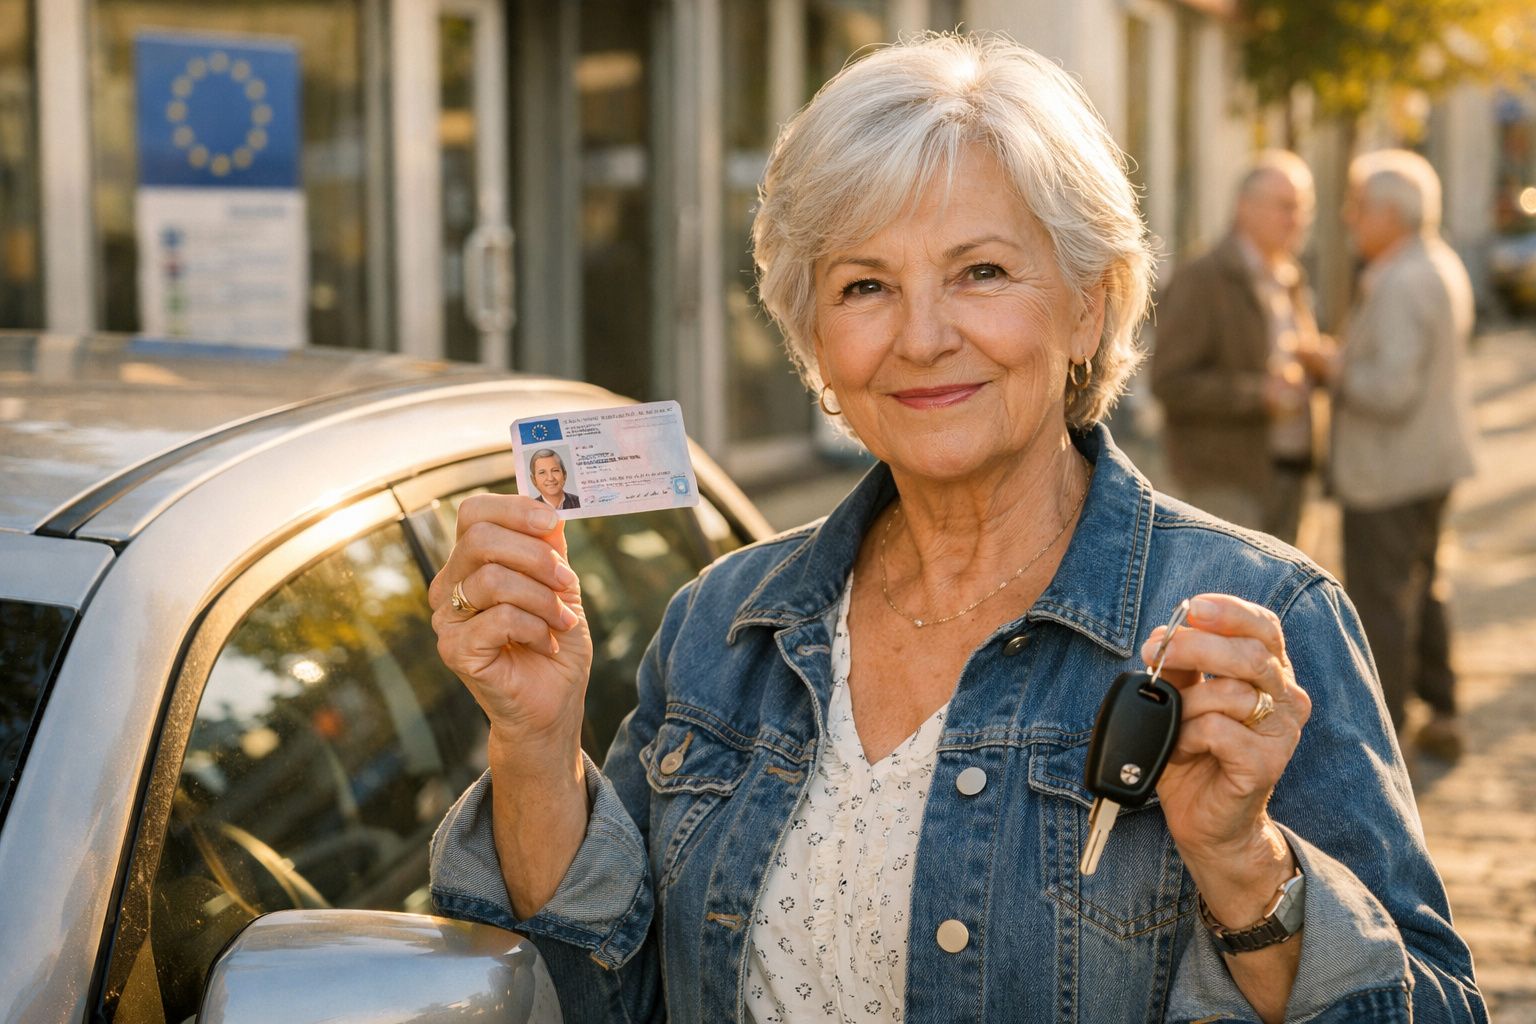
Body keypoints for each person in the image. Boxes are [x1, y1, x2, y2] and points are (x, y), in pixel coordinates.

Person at [427, 35, 1483, 1023]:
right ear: (817, 344)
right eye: (866, 286)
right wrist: (534, 746)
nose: (924, 336)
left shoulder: (1258, 623)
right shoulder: (718, 628)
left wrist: (1246, 866)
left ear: (1086, 305)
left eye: (981, 271)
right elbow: (594, 1000)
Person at [1318, 149, 1478, 760]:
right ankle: (1443, 709)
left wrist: (1330, 367)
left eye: (1358, 206)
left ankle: (1386, 736)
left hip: (1392, 469)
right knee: (1424, 585)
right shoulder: (1432, 263)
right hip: (1428, 461)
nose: (1348, 217)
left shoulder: (1406, 279)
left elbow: (1391, 390)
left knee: (1381, 599)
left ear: (1390, 213)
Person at [1151, 151, 1328, 545]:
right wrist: (1258, 394)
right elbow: (1170, 383)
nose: (1297, 220)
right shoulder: (1203, 277)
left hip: (1291, 470)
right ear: (1245, 207)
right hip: (1227, 483)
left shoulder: (1289, 275)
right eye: (1286, 207)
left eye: (1304, 208)